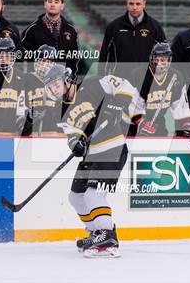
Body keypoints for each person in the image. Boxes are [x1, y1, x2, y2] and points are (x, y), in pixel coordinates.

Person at [43, 63, 144, 258]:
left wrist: (115, 106)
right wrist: (76, 144)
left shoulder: (92, 84)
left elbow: (125, 86)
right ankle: (97, 231)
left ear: (67, 79)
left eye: (56, 83)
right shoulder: (62, 111)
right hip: (92, 153)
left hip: (112, 147)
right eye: (51, 87)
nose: (54, 89)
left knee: (93, 195)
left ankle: (107, 236)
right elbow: (71, 134)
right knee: (76, 196)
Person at [128, 43, 190, 145]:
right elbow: (130, 106)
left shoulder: (176, 77)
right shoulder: (139, 75)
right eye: (157, 59)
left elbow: (181, 108)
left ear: (169, 60)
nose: (159, 63)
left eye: (163, 60)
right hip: (131, 125)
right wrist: (141, 123)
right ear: (151, 59)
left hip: (158, 123)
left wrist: (189, 126)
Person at [98, 0, 166, 77]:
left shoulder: (155, 27)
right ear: (127, 3)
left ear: (144, 4)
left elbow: (164, 55)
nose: (134, 7)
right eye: (131, 3)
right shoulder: (114, 27)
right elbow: (104, 56)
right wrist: (100, 78)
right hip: (119, 82)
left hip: (146, 82)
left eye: (138, 4)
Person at [21, 0, 79, 78]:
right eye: (50, 1)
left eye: (56, 2)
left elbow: (74, 57)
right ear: (45, 4)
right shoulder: (32, 30)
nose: (52, 4)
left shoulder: (71, 30)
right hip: (39, 82)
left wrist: (72, 78)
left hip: (62, 82)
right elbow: (23, 56)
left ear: (62, 6)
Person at [22, 44, 75, 136]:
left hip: (56, 132)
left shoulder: (59, 78)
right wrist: (28, 117)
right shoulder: (26, 79)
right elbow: (20, 109)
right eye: (42, 61)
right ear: (36, 60)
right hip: (33, 131)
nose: (44, 65)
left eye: (48, 61)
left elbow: (69, 101)